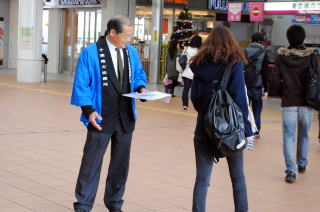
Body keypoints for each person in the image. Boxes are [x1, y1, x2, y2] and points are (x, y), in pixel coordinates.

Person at [70, 15, 147, 212]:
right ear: (112, 32)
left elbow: (138, 74)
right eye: (127, 36)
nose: (130, 40)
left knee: (120, 166)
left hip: (125, 117)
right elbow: (81, 84)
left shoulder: (130, 52)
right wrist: (89, 110)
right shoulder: (91, 52)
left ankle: (114, 202)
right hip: (100, 116)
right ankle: (84, 204)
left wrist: (141, 88)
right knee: (91, 163)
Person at [190, 26, 254, 212]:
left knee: (202, 179)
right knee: (237, 177)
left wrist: (206, 112)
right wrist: (248, 130)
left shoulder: (198, 64)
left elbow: (195, 98)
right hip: (230, 130)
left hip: (203, 128)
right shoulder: (234, 63)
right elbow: (239, 99)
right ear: (230, 42)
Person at [275, 25, 315, 183]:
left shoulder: (281, 57)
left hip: (289, 101)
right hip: (307, 102)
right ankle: (302, 163)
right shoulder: (312, 56)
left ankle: (291, 171)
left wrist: (280, 93)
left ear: (288, 38)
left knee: (288, 136)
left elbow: (275, 80)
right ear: (304, 38)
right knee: (304, 135)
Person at [244, 32, 269, 137]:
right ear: (262, 41)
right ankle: (256, 131)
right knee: (257, 109)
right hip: (257, 86)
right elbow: (265, 73)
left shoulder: (243, 52)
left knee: (244, 109)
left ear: (251, 40)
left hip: (244, 85)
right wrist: (266, 89)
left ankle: (245, 130)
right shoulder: (264, 53)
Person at [181, 35, 202, 110]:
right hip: (195, 73)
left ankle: (185, 104)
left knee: (186, 89)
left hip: (186, 71)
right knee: (196, 90)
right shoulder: (199, 51)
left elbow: (182, 59)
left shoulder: (186, 49)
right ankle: (197, 104)